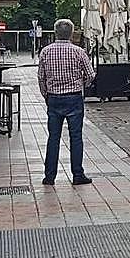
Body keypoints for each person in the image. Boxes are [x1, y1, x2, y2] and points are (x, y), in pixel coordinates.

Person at [37, 19, 96, 186]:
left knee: (53, 137)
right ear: (71, 33)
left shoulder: (46, 52)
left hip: (54, 98)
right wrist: (82, 85)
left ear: (56, 33)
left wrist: (46, 95)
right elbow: (91, 74)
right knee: (76, 137)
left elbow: (41, 77)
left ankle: (49, 176)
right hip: (74, 97)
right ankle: (77, 174)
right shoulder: (79, 52)